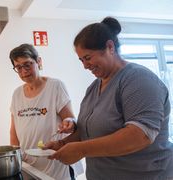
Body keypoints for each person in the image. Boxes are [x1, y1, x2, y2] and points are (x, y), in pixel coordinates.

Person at [45, 17, 173, 180]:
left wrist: (81, 150)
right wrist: (63, 144)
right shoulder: (93, 88)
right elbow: (86, 130)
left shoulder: (138, 79)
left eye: (88, 57)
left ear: (110, 47)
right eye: (81, 60)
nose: (85, 65)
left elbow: (139, 136)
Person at [9, 43, 83, 179]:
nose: (24, 71)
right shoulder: (17, 94)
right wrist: (16, 160)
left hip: (56, 165)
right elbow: (14, 133)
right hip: (29, 166)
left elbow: (72, 122)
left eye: (27, 64)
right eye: (18, 67)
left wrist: (70, 122)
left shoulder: (55, 86)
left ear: (38, 61)